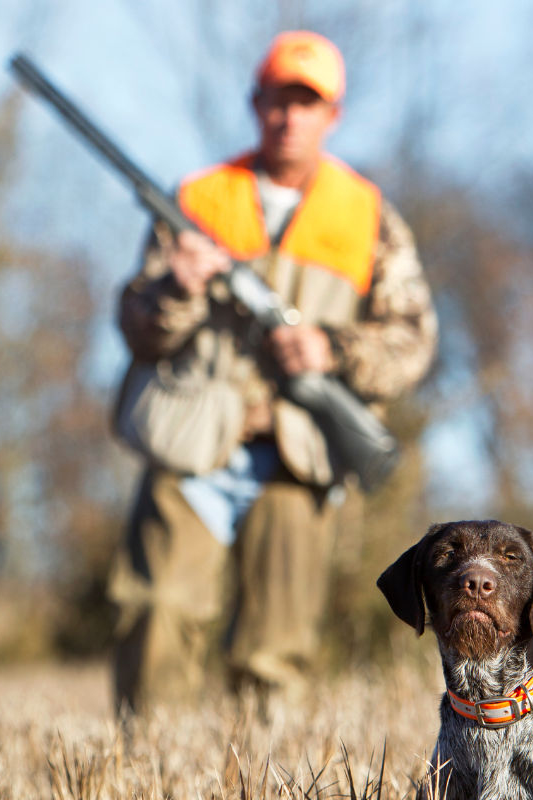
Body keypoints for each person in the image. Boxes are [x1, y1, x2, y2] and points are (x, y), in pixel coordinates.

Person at [110, 30, 437, 713]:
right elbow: (137, 329)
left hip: (299, 450)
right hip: (193, 439)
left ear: (332, 116)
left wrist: (333, 350)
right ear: (254, 104)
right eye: (277, 100)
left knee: (275, 651)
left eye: (306, 102)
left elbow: (413, 341)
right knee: (157, 614)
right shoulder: (197, 198)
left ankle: (261, 775)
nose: (289, 116)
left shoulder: (368, 215)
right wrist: (176, 286)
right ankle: (146, 768)